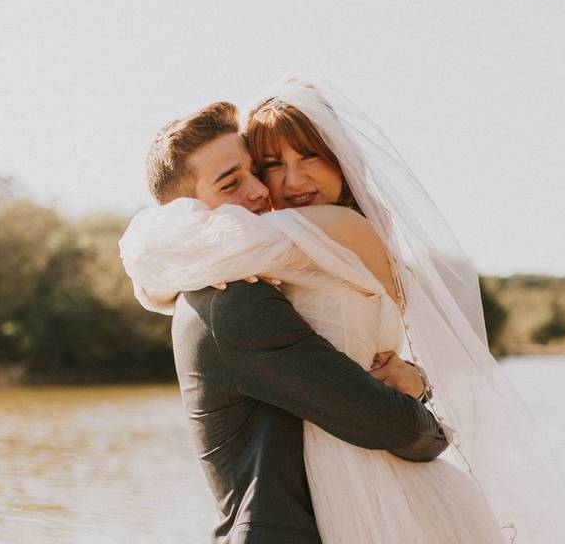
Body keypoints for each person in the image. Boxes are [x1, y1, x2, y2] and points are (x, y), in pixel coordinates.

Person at [122, 79, 565, 543]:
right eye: (267, 166)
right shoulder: (234, 292)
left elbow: (150, 256)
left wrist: (421, 397)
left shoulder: (325, 231)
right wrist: (419, 386)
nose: (277, 185)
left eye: (309, 156)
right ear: (185, 211)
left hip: (372, 482)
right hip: (355, 486)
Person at [124, 101, 450, 544]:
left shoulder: (270, 267)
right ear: (185, 215)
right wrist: (431, 428)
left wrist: (417, 380)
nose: (261, 189)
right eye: (232, 182)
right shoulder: (233, 300)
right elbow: (392, 423)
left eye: (255, 170)